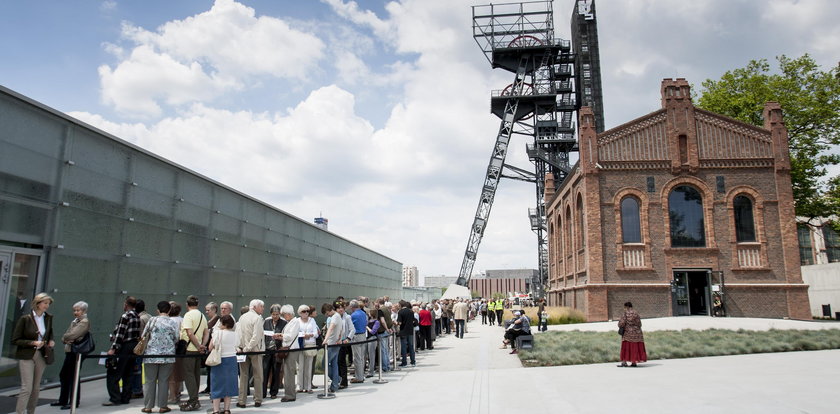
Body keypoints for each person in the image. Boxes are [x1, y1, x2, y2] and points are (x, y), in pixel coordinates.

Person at [12, 292, 55, 414]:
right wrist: (33, 343)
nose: (47, 306)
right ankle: (20, 412)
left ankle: (31, 412)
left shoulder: (48, 318)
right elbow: (15, 340)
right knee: (27, 388)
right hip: (27, 354)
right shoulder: (25, 319)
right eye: (45, 303)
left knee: (36, 388)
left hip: (42, 355)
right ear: (38, 303)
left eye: (48, 304)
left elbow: (50, 332)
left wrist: (51, 340)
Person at [141, 301, 179, 414]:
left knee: (149, 381)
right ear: (169, 310)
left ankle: (148, 406)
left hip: (151, 355)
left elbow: (143, 335)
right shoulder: (172, 323)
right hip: (167, 355)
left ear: (158, 310)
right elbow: (176, 338)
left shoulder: (152, 320)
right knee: (164, 381)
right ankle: (163, 406)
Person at [104, 296, 141, 407]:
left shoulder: (126, 316)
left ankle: (115, 398)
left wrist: (113, 348)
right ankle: (126, 396)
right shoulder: (137, 316)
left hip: (124, 346)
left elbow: (120, 333)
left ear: (126, 304)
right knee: (128, 373)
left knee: (114, 372)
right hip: (133, 346)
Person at [53, 301, 90, 410]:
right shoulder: (75, 321)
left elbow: (73, 334)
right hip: (70, 351)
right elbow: (67, 334)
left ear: (83, 311)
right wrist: (65, 338)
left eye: (78, 310)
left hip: (76, 352)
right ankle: (63, 399)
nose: (75, 312)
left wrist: (65, 337)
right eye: (74, 310)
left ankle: (73, 401)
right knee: (64, 375)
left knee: (73, 376)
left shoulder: (84, 322)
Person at [179, 295, 208, 412]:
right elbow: (206, 332)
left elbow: (189, 333)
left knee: (189, 375)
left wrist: (197, 345)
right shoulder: (202, 315)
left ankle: (193, 400)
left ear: (187, 304)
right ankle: (195, 399)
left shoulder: (188, 315)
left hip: (190, 348)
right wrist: (202, 345)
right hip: (198, 349)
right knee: (196, 374)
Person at [236, 299, 265, 408]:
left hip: (243, 350)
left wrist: (239, 347)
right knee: (258, 375)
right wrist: (248, 347)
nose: (262, 308)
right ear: (254, 307)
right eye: (261, 306)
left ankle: (242, 400)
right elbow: (256, 336)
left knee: (243, 375)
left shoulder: (242, 317)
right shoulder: (257, 318)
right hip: (254, 350)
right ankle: (258, 399)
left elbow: (238, 333)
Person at [209, 315, 239, 414]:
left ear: (224, 324)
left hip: (219, 359)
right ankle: (227, 409)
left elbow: (210, 347)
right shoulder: (235, 334)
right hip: (232, 359)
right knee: (229, 384)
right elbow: (237, 346)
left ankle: (216, 410)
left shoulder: (217, 333)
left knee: (217, 384)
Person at [262, 304, 287, 399]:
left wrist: (279, 337)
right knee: (265, 371)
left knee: (276, 371)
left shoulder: (283, 323)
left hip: (277, 350)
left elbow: (285, 335)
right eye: (273, 314)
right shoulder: (267, 321)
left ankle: (273, 392)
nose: (275, 316)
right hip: (267, 349)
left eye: (277, 314)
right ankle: (263, 392)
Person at [295, 305, 319, 393]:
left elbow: (316, 333)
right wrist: (301, 335)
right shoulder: (297, 321)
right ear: (300, 313)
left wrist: (309, 335)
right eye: (303, 311)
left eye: (307, 311)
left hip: (310, 344)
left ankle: (308, 386)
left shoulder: (312, 320)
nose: (306, 313)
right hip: (300, 345)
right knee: (300, 366)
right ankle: (299, 385)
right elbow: (295, 332)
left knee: (309, 366)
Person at [278, 305, 299, 402]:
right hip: (289, 349)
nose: (283, 316)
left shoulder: (294, 322)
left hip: (291, 349)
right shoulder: (290, 322)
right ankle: (289, 393)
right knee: (287, 372)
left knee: (289, 373)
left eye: (284, 314)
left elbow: (290, 336)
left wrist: (281, 336)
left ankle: (290, 395)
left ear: (288, 314)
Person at [321, 303, 343, 392]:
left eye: (326, 314)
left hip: (332, 343)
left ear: (328, 311)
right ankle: (335, 384)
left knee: (324, 364)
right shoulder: (338, 316)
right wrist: (340, 338)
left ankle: (336, 379)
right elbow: (341, 329)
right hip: (336, 342)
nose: (327, 316)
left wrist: (325, 339)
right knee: (334, 364)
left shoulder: (335, 317)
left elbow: (331, 328)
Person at [617, 301, 647, 367]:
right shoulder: (636, 313)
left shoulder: (625, 313)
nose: (624, 309)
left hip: (628, 333)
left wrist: (619, 325)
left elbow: (622, 323)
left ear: (626, 307)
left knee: (626, 347)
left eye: (624, 307)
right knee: (634, 348)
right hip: (637, 333)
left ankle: (624, 362)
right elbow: (640, 324)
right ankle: (634, 362)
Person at [166, 302, 184, 405]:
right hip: (181, 349)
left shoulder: (169, 321)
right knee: (178, 374)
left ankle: (172, 395)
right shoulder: (182, 320)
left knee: (171, 375)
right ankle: (177, 393)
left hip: (171, 349)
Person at [201, 302, 219, 395]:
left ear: (214, 310)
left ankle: (211, 387)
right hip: (208, 347)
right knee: (209, 369)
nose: (206, 312)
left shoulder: (217, 320)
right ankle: (209, 387)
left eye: (208, 310)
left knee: (212, 369)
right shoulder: (209, 321)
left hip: (212, 348)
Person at [348, 300, 367, 383]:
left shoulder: (353, 315)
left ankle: (359, 377)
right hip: (363, 335)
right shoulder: (363, 313)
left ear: (352, 307)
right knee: (362, 357)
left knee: (357, 358)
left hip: (356, 336)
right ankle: (361, 374)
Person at [396, 300, 416, 367]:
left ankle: (404, 362)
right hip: (410, 331)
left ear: (401, 305)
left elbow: (400, 323)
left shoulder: (400, 312)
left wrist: (395, 323)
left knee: (404, 347)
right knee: (411, 346)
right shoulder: (411, 311)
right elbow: (413, 320)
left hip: (403, 331)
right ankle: (413, 361)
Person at [364, 308, 381, 376]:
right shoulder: (368, 321)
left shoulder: (377, 322)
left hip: (372, 338)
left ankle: (371, 371)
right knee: (366, 355)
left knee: (371, 355)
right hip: (367, 338)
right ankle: (367, 369)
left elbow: (373, 331)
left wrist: (367, 327)